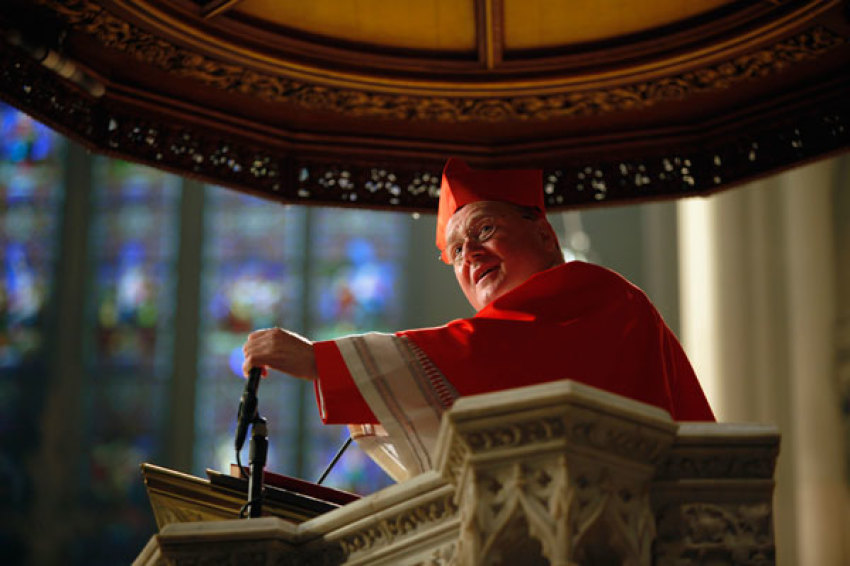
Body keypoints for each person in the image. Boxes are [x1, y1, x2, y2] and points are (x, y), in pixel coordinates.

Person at [242, 158, 715, 481]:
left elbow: (493, 350)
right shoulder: (502, 333)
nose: (471, 255)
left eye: (484, 230)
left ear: (546, 236)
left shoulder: (597, 293)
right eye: (457, 251)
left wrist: (324, 362)